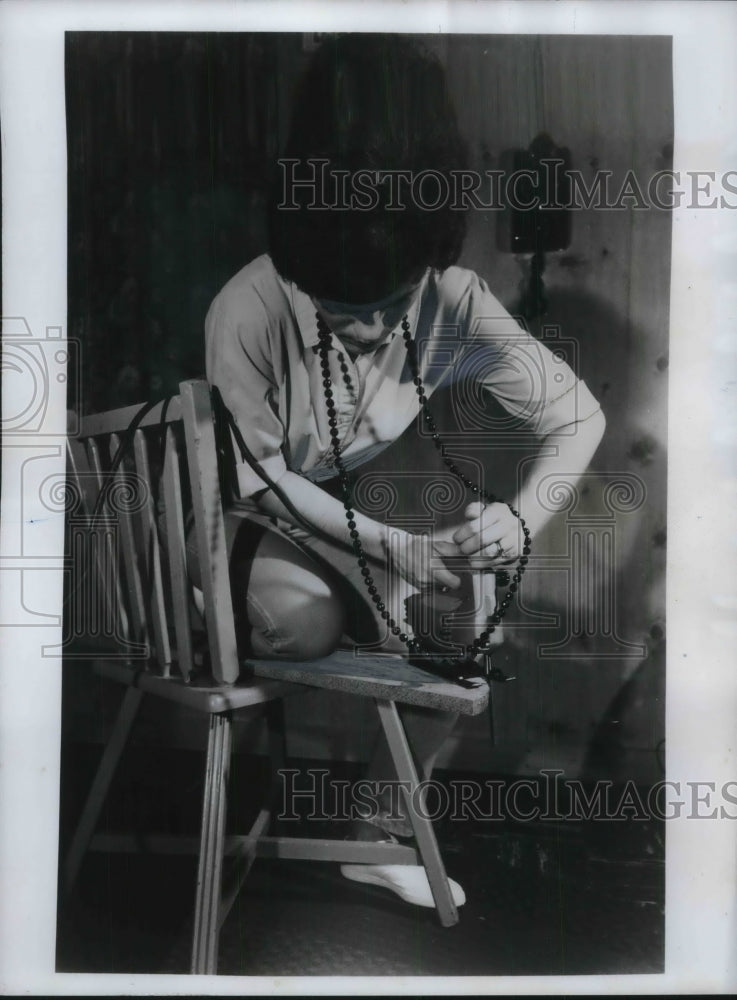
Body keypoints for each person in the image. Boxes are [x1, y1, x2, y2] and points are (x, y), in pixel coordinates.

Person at [203, 35, 605, 909]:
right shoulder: (247, 306)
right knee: (302, 625)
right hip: (241, 508)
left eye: (386, 310)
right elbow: (263, 477)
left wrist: (521, 520)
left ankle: (373, 831)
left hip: (336, 521)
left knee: (471, 627)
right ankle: (236, 606)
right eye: (339, 313)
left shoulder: (453, 301)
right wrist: (397, 556)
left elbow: (577, 414)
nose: (366, 334)